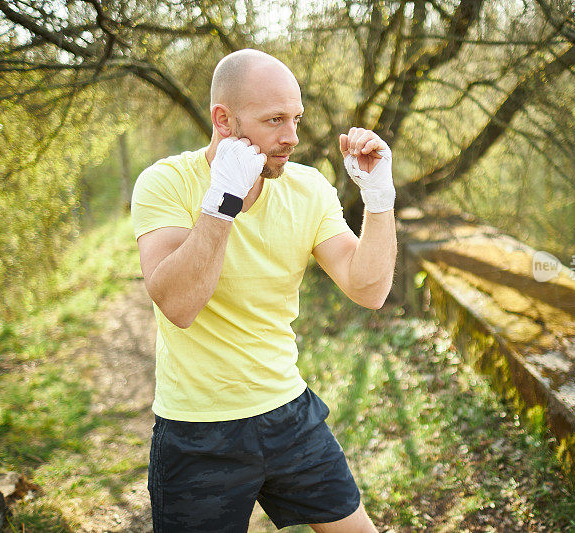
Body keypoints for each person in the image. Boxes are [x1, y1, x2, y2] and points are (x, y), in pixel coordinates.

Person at [130, 48, 397, 532]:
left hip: (288, 414)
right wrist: (220, 205)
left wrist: (379, 201)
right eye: (275, 120)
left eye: (296, 118)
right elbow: (179, 305)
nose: (291, 137)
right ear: (223, 119)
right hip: (197, 430)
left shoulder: (309, 189)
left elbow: (368, 289)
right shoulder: (165, 184)